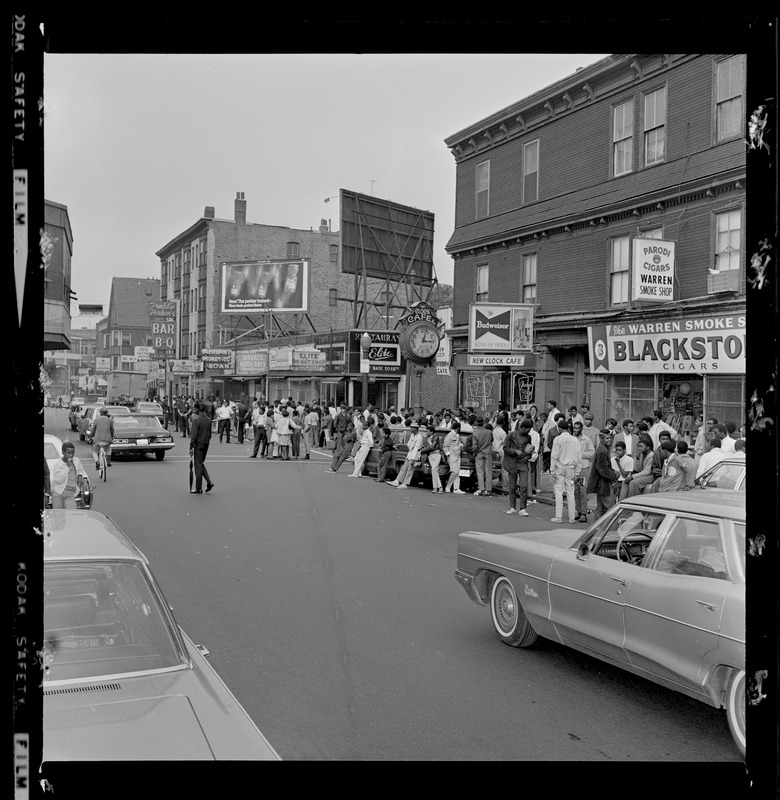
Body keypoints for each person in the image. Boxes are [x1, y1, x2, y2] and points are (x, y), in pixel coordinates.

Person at [550, 418, 580, 523]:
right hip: (571, 468)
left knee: (558, 491)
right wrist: (577, 472)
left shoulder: (557, 439)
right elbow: (578, 457)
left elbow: (554, 456)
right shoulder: (575, 440)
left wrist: (552, 470)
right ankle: (572, 517)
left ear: (560, 429)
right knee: (570, 492)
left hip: (560, 467)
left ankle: (559, 516)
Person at [586, 429, 619, 519]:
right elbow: (602, 470)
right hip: (603, 483)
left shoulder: (603, 449)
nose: (609, 440)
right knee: (610, 507)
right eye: (607, 438)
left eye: (610, 438)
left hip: (601, 483)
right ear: (601, 439)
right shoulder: (602, 451)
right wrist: (615, 475)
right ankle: (606, 528)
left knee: (600, 507)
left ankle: (597, 528)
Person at [502, 418, 533, 515]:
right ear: (522, 428)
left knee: (523, 486)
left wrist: (528, 456)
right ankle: (512, 507)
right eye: (527, 429)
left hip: (523, 463)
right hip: (512, 463)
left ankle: (523, 508)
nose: (528, 432)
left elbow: (529, 449)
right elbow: (505, 448)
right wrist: (515, 451)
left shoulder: (528, 437)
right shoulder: (511, 435)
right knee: (512, 486)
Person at [50, 441, 88, 508]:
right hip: (58, 492)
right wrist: (67, 467)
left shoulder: (76, 461)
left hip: (70, 492)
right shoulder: (58, 464)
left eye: (73, 453)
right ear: (63, 453)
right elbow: (59, 480)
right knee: (59, 515)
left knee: (71, 513)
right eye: (68, 453)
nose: (71, 455)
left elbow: (81, 470)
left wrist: (80, 476)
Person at [189, 401, 215, 494]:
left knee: (198, 466)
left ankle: (198, 487)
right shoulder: (208, 420)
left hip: (198, 444)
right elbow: (210, 434)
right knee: (200, 463)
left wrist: (191, 446)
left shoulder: (196, 420)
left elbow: (194, 435)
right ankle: (209, 482)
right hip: (206, 444)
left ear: (197, 409)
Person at [572, 420, 595, 523]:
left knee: (583, 491)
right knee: (575, 491)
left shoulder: (586, 439)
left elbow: (591, 453)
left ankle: (584, 513)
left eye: (577, 428)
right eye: (574, 428)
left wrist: (580, 454)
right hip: (573, 467)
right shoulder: (571, 439)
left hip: (584, 468)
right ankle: (578, 511)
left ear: (581, 429)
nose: (575, 430)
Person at [469, 417, 493, 496]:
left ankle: (481, 489)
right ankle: (488, 489)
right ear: (483, 422)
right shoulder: (489, 432)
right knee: (488, 471)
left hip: (479, 453)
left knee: (480, 472)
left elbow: (474, 446)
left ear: (476, 423)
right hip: (488, 452)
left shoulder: (475, 433)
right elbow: (491, 440)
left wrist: (475, 453)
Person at [443, 420, 466, 494]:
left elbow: (458, 443)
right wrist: (448, 455)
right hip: (452, 455)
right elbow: (445, 446)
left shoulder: (457, 435)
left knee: (457, 472)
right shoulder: (450, 435)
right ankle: (448, 486)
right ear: (458, 428)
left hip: (458, 455)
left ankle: (456, 488)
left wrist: (461, 446)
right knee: (454, 472)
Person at [421, 424, 444, 493]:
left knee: (433, 469)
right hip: (430, 456)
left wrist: (422, 450)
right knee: (435, 471)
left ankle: (435, 487)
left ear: (432, 432)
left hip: (437, 455)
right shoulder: (426, 439)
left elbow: (432, 447)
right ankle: (440, 487)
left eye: (427, 431)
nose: (426, 433)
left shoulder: (436, 438)